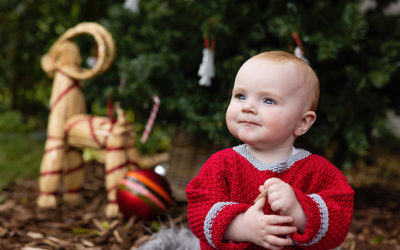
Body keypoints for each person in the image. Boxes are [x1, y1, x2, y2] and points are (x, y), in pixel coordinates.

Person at [186, 51, 354, 249]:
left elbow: (338, 219)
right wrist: (241, 226)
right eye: (240, 96)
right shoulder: (221, 164)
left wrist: (298, 209)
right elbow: (199, 210)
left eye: (268, 101)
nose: (248, 106)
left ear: (302, 123)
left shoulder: (317, 171)